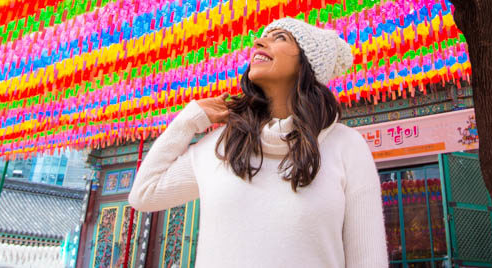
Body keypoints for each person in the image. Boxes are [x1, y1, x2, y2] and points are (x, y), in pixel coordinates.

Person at [129, 17, 386, 267]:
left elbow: (368, 258)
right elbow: (144, 195)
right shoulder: (221, 144)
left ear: (306, 65)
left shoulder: (345, 145)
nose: (259, 42)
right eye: (263, 37)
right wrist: (188, 121)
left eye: (280, 37)